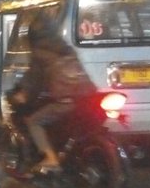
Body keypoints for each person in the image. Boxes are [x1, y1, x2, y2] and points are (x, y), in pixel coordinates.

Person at [10, 12, 96, 174]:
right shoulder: (66, 48)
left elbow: (32, 82)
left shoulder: (40, 53)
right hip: (87, 96)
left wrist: (22, 95)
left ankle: (50, 158)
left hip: (67, 100)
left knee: (34, 122)